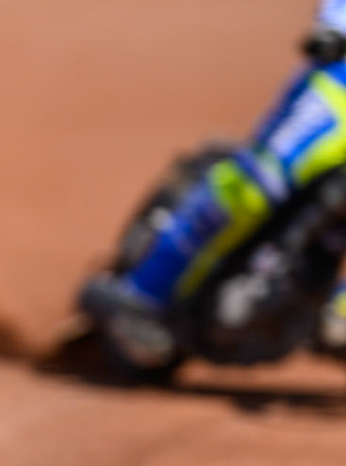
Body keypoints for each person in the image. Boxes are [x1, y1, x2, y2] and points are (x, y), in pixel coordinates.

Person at [84, 0, 346, 369]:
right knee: (254, 187)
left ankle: (331, 304)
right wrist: (336, 25)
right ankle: (145, 292)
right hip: (341, 86)